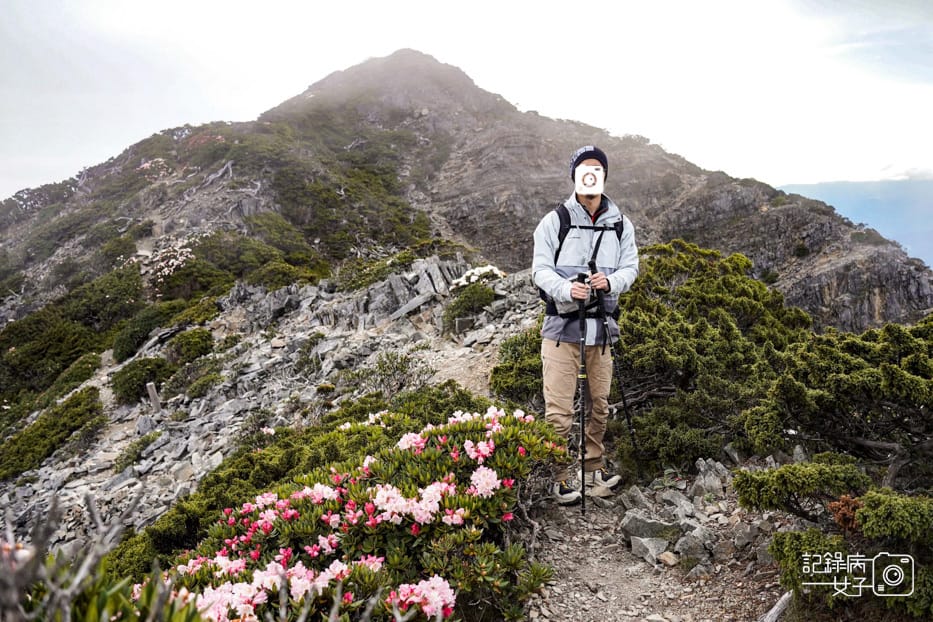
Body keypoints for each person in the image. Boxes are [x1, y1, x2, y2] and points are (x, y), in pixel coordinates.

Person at [532, 145, 639, 505]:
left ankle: (593, 469)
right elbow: (540, 270)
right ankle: (559, 478)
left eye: (597, 169)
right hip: (562, 330)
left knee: (600, 404)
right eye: (584, 169)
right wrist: (566, 288)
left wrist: (611, 283)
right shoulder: (554, 221)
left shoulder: (621, 224)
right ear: (574, 175)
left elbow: (631, 268)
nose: (591, 174)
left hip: (603, 330)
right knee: (559, 410)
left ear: (605, 175)